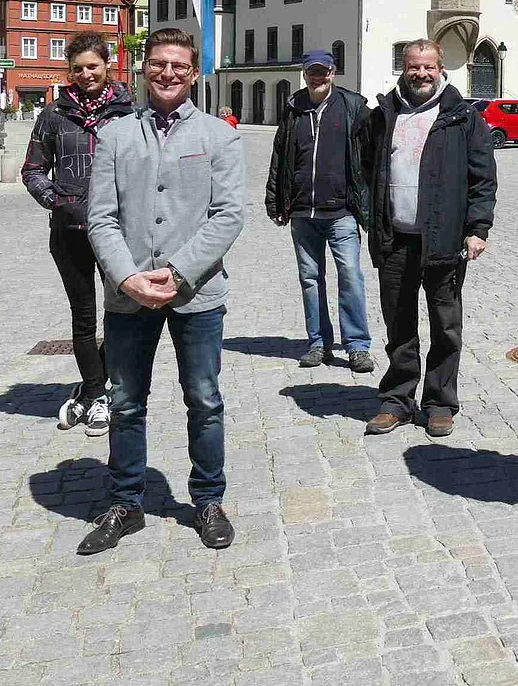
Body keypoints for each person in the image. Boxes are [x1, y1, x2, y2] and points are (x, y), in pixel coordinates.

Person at [81, 28, 246, 555]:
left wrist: (178, 273)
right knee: (126, 402)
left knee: (204, 399)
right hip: (128, 295)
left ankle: (207, 499)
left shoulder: (220, 136)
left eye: (178, 64)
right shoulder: (114, 135)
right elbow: (100, 217)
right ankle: (126, 502)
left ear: (193, 72)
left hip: (196, 294)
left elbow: (228, 215)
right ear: (143, 69)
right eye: (158, 63)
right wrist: (127, 275)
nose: (168, 73)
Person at [362, 39, 496, 438]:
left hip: (444, 240)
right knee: (398, 324)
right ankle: (398, 399)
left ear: (441, 70)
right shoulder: (384, 114)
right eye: (413, 67)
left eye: (428, 67)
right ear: (403, 69)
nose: (421, 73)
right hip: (394, 240)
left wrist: (478, 228)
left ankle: (439, 402)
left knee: (445, 325)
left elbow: (483, 178)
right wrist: (369, 217)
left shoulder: (462, 117)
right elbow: (365, 167)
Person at [22, 33, 134, 436]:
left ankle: (97, 385)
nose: (86, 74)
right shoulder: (54, 114)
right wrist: (58, 202)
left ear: (108, 65)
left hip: (118, 231)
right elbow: (32, 170)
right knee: (84, 317)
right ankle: (95, 392)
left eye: (93, 66)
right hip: (68, 230)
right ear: (69, 71)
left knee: (124, 311)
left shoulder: (129, 112)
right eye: (78, 68)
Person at [266, 49, 374, 372]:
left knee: (351, 277)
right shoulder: (293, 108)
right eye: (312, 71)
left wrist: (367, 199)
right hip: (302, 213)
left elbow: (371, 152)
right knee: (310, 279)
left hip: (341, 212)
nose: (317, 76)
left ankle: (357, 346)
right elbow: (280, 155)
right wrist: (274, 198)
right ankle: (318, 343)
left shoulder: (352, 106)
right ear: (304, 73)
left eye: (323, 71)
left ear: (333, 73)